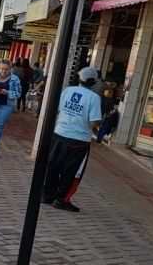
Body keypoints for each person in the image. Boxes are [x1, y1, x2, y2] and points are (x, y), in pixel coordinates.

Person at [42, 67, 103, 212]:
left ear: (80, 78)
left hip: (59, 133)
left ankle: (47, 195)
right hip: (79, 139)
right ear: (94, 82)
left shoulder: (68, 91)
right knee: (72, 171)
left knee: (53, 165)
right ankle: (62, 199)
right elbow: (94, 122)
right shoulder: (94, 98)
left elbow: (58, 109)